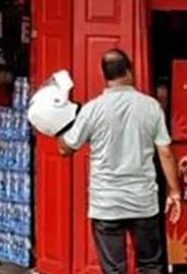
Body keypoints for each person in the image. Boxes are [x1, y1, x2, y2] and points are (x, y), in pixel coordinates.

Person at [60, 49, 182, 274]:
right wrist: (174, 192)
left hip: (106, 204)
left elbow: (66, 148)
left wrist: (61, 122)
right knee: (151, 266)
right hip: (142, 201)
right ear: (129, 71)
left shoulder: (91, 109)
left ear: (105, 75)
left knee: (114, 269)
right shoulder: (150, 106)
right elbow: (165, 152)